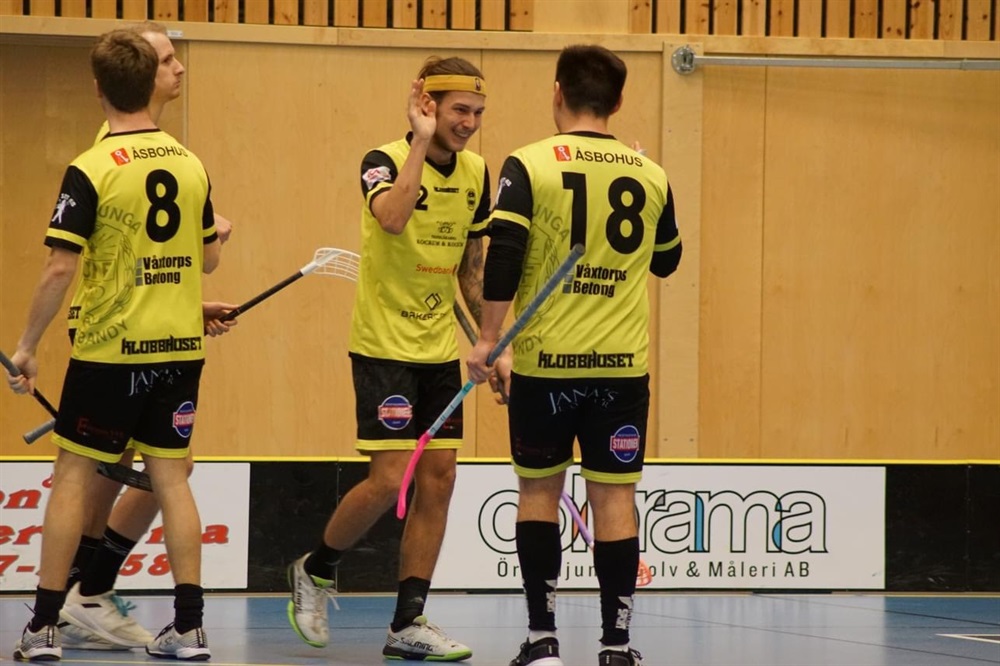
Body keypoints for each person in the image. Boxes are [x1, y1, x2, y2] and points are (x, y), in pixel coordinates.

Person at [6, 28, 221, 662]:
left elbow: (59, 267)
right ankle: (189, 628)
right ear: (150, 81)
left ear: (98, 88)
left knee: (73, 477)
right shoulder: (189, 162)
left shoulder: (93, 166)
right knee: (172, 480)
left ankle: (44, 627)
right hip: (178, 349)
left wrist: (27, 345)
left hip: (110, 351)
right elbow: (205, 258)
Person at [466, 45, 683, 666]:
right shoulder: (651, 174)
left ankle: (543, 641)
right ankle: (617, 646)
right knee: (615, 499)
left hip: (547, 365)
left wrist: (488, 339)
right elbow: (667, 261)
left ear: (557, 92)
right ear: (618, 101)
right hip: (621, 367)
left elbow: (504, 254)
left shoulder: (529, 163)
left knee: (538, 493)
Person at [286, 56, 491, 662]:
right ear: (427, 105)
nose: (469, 123)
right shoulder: (381, 160)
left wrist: (492, 342)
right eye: (459, 110)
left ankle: (408, 621)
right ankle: (315, 568)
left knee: (440, 478)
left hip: (438, 350)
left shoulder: (477, 172)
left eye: (478, 112)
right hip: (383, 346)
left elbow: (470, 271)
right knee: (389, 479)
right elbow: (395, 219)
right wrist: (421, 144)